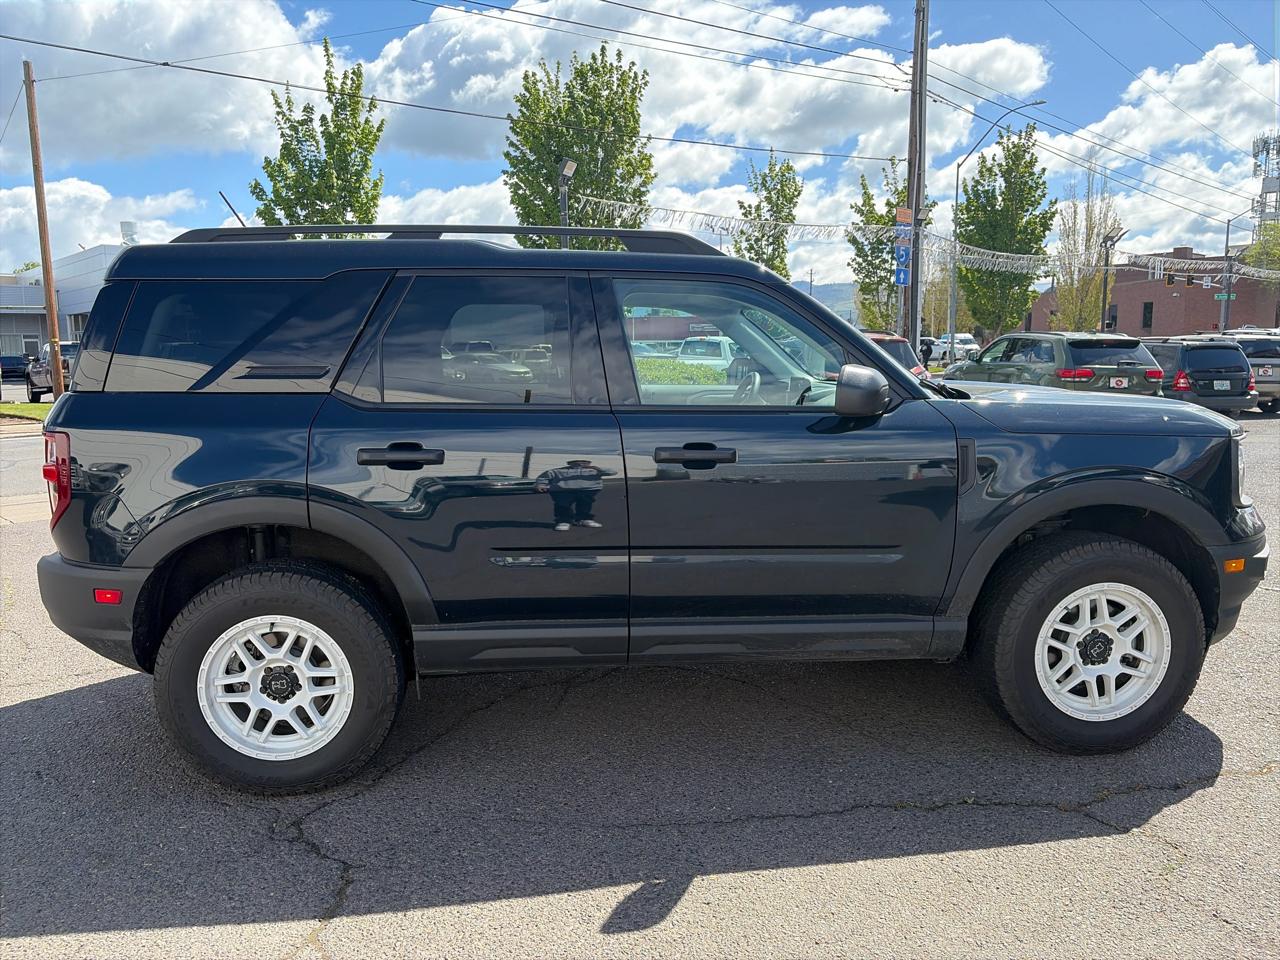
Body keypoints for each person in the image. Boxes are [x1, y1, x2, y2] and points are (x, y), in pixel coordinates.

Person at [534, 459, 617, 531]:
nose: (580, 464)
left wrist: (595, 467)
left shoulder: (595, 470)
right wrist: (541, 485)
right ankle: (563, 521)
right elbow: (543, 477)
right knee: (562, 505)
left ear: (589, 462)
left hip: (588, 489)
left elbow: (612, 472)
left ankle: (584, 519)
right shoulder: (557, 471)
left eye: (584, 462)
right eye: (576, 462)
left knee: (585, 504)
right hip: (562, 490)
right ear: (570, 463)